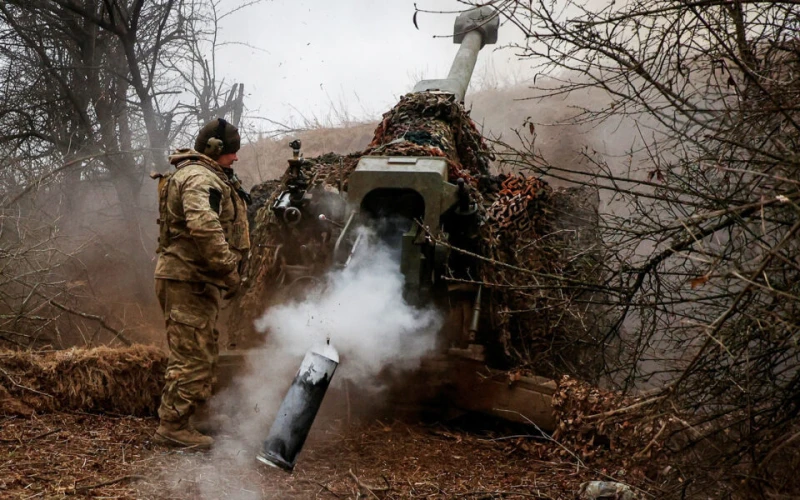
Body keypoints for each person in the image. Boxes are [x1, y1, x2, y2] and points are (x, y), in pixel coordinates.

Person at [152, 118, 250, 448]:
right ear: (214, 149)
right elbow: (205, 228)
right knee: (191, 357)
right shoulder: (198, 177)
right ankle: (173, 426)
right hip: (186, 278)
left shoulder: (205, 175)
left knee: (205, 350)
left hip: (195, 279)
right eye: (232, 152)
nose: (236, 158)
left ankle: (196, 414)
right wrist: (229, 272)